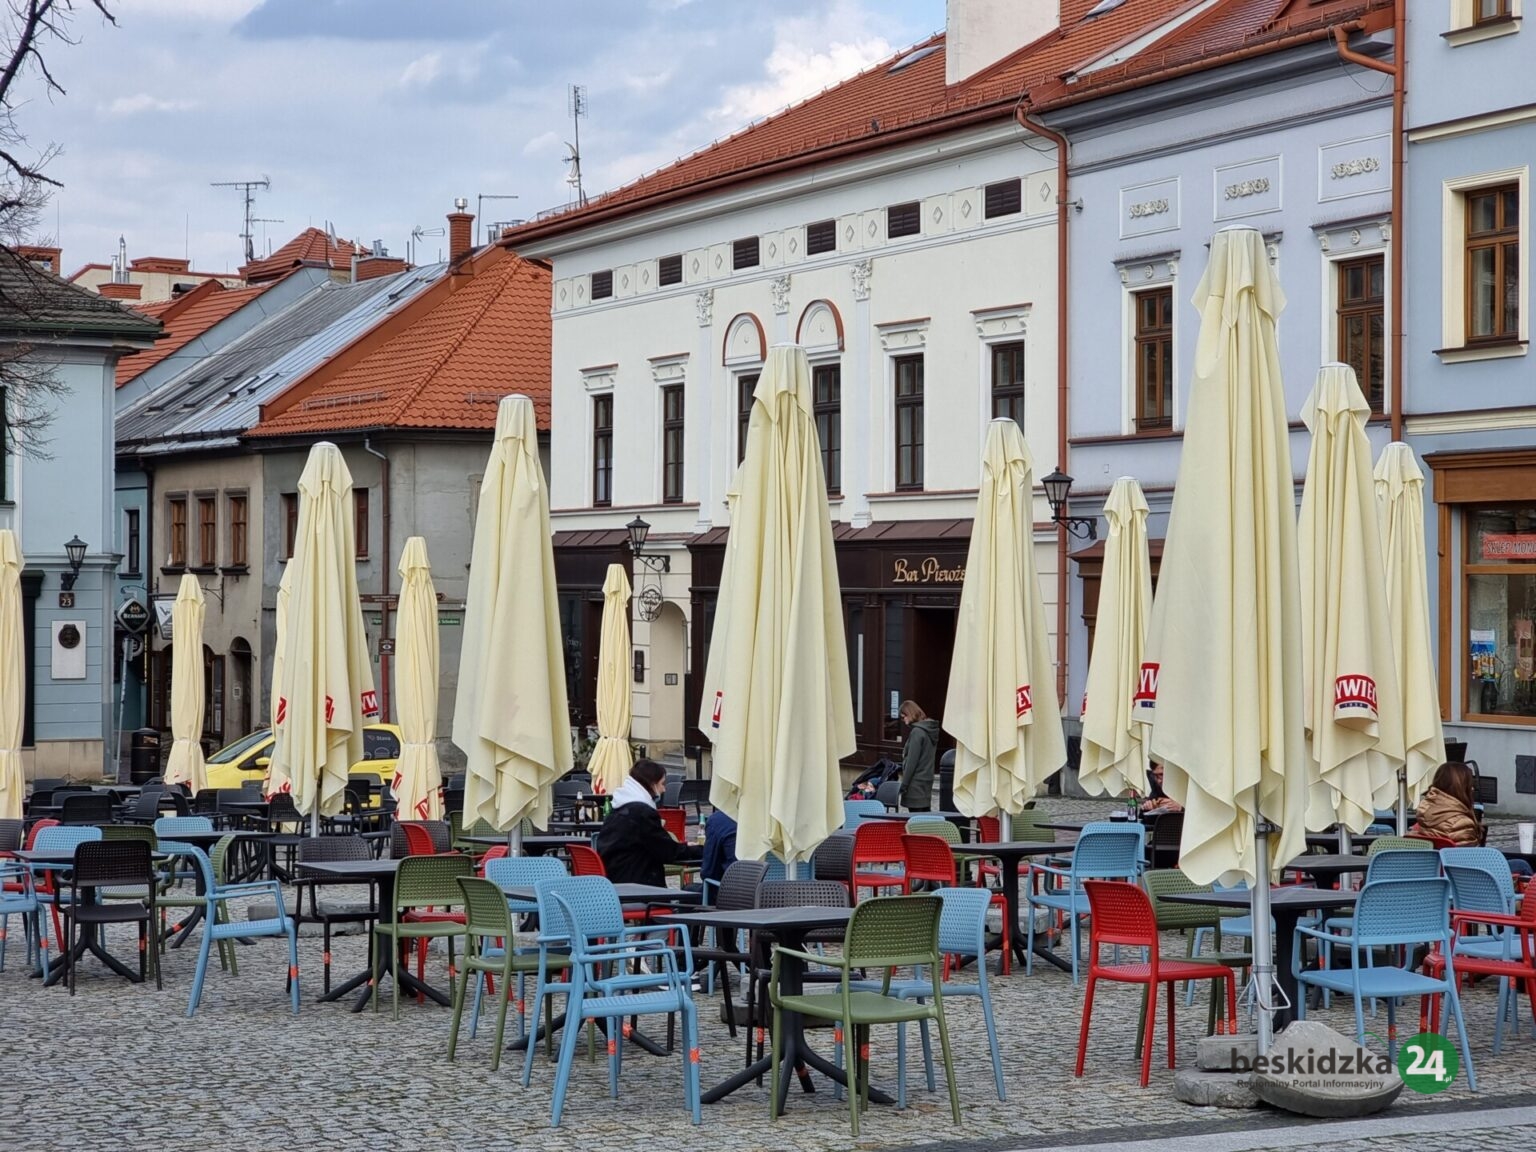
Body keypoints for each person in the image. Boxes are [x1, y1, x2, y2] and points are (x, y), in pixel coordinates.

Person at [595, 760, 699, 885]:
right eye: (662, 784)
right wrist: (697, 849)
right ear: (651, 784)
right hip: (639, 885)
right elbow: (667, 850)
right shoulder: (642, 813)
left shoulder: (617, 808)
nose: (664, 789)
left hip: (615, 883)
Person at [1413, 761, 1483, 846]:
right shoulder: (1462, 824)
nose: (1472, 788)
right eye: (1470, 785)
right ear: (1461, 788)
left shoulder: (1423, 814)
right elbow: (1470, 853)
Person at [898, 701, 941, 812]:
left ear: (910, 714)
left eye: (904, 717)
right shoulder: (929, 730)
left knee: (915, 818)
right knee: (925, 816)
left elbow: (912, 761)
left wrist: (904, 784)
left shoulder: (917, 732)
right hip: (926, 779)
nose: (904, 721)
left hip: (915, 782)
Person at [699, 809, 738, 890]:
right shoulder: (763, 819)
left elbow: (708, 872)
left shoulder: (718, 819)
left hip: (730, 889)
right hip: (763, 890)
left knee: (687, 889)